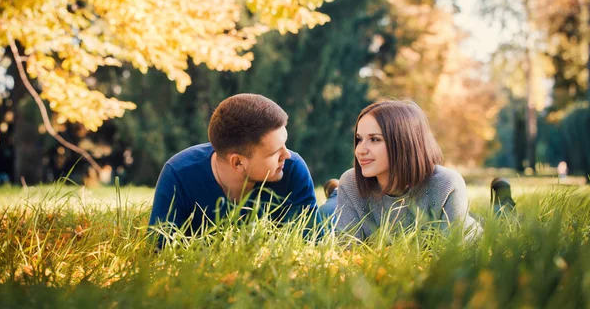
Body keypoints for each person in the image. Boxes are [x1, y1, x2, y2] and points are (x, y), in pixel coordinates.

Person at [148, 94, 319, 244]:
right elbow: (159, 249)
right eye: (274, 152)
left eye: (285, 144)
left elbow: (313, 243)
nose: (287, 155)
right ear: (237, 163)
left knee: (332, 212)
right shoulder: (179, 175)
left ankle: (334, 193)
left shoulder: (292, 168)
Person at [335, 99, 479, 240]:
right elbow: (346, 249)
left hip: (470, 236)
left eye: (374, 139)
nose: (360, 150)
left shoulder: (446, 183)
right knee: (327, 211)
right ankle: (333, 195)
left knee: (494, 216)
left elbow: (451, 256)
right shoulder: (350, 183)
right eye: (359, 139)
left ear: (404, 143)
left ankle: (500, 203)